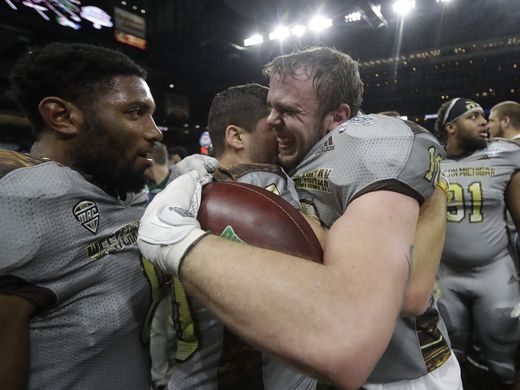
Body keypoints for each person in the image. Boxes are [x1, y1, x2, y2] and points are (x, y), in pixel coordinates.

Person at [138, 47, 459, 389]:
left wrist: (180, 242)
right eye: (272, 107)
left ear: (338, 118)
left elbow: (408, 295)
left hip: (400, 373)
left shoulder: (371, 144)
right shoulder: (295, 156)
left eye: (288, 110)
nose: (272, 120)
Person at [165, 82, 319, 389]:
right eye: (273, 125)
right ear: (236, 136)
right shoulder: (263, 186)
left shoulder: (189, 187)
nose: (283, 133)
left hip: (192, 372)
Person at [435, 97, 520, 386]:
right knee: (450, 352)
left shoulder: (506, 155)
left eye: (483, 116)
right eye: (472, 117)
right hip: (445, 272)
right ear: (451, 127)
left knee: (503, 356)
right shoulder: (430, 161)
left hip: (494, 268)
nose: (483, 122)